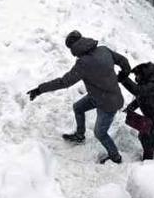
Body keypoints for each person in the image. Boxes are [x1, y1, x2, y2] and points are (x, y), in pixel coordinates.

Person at [27, 31, 131, 164]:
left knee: (100, 133)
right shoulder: (103, 50)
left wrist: (39, 89)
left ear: (73, 49)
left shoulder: (83, 64)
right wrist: (124, 74)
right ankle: (80, 135)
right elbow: (123, 61)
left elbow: (64, 82)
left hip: (108, 104)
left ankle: (115, 156)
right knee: (78, 107)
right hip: (99, 96)